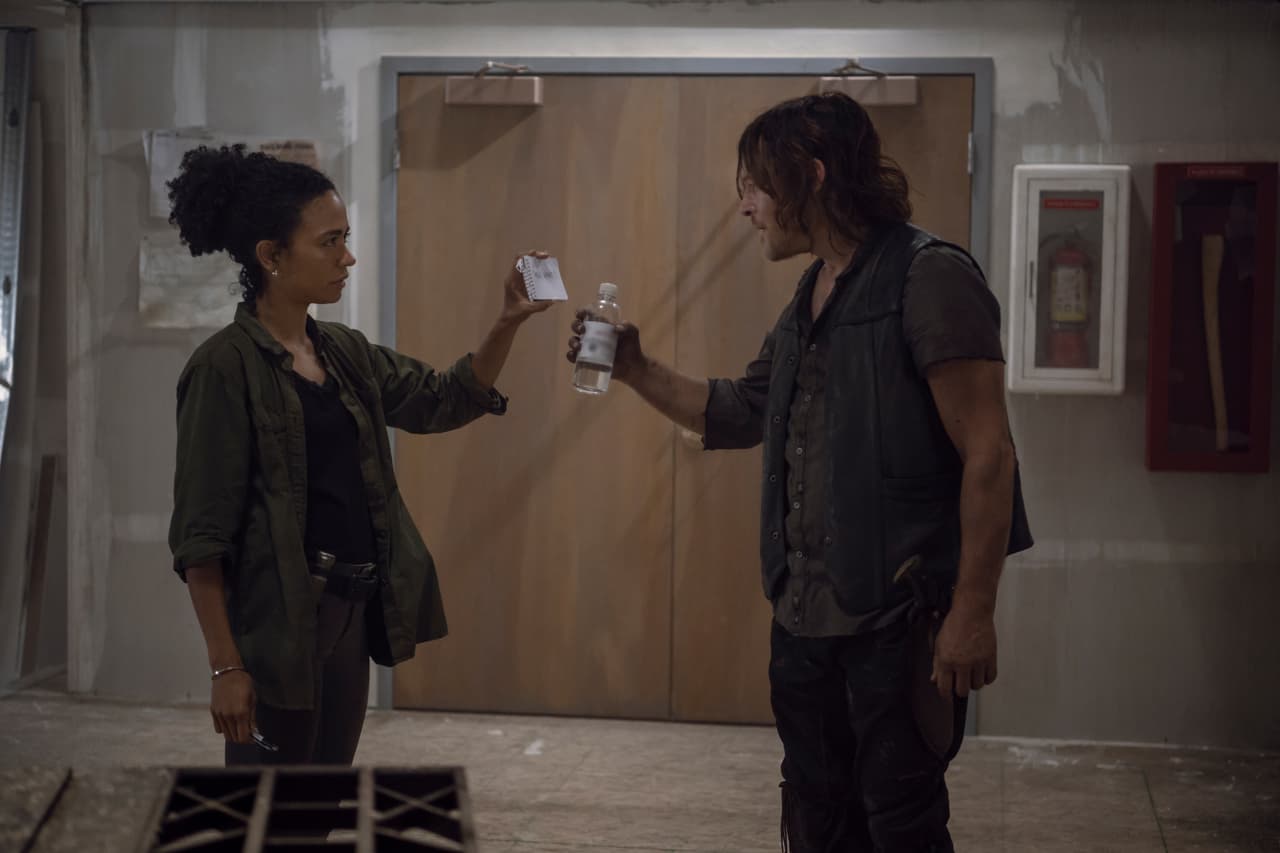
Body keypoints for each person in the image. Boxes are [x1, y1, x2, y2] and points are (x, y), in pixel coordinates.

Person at [567, 92, 1032, 852]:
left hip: (897, 622)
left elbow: (990, 451)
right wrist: (635, 368)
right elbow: (743, 410)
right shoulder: (811, 293)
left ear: (811, 176)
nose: (746, 208)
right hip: (804, 621)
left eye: (756, 186)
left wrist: (973, 612)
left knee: (901, 824)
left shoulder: (929, 277)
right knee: (816, 818)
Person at [166, 144, 552, 765]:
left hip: (350, 609)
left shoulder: (343, 352)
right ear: (271, 256)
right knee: (269, 806)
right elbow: (201, 538)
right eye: (329, 242)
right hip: (279, 622)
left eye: (345, 238)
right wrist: (225, 667)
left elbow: (443, 399)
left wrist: (508, 320)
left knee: (320, 798)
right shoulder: (223, 369)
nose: (347, 257)